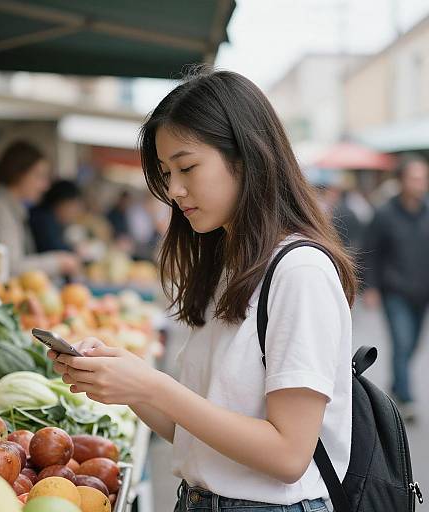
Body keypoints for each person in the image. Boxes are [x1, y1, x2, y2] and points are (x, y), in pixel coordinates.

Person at [48, 69, 356, 511]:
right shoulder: (230, 261)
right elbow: (196, 432)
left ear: (247, 155)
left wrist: (154, 387)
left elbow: (289, 455)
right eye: (166, 172)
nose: (174, 189)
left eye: (187, 166)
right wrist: (126, 381)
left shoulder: (300, 271)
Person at [362, 153, 429, 422]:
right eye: (415, 177)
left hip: (422, 292)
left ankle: (397, 384)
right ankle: (407, 398)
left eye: (424, 177)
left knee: (412, 345)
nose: (420, 182)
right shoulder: (384, 214)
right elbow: (370, 252)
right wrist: (371, 287)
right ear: (401, 180)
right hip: (395, 291)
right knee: (401, 342)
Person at [0, 141, 80, 277]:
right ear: (18, 173)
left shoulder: (9, 208)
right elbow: (9, 267)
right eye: (39, 176)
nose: (45, 186)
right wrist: (57, 262)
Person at [29, 179, 83, 253]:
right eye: (73, 206)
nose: (75, 212)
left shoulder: (50, 218)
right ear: (61, 203)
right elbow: (55, 249)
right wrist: (74, 250)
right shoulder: (42, 219)